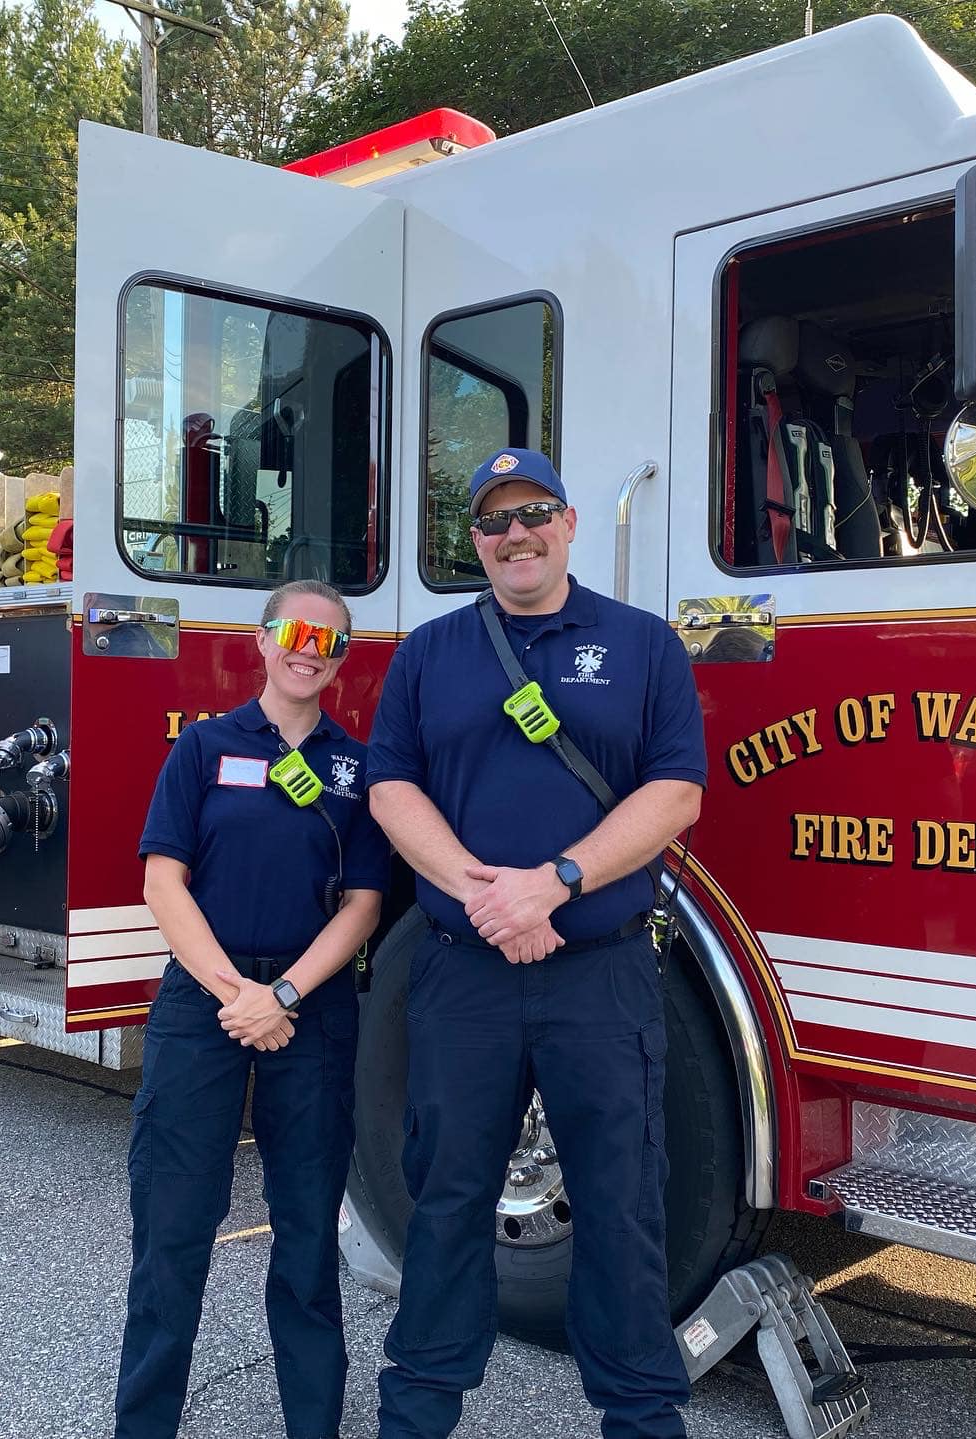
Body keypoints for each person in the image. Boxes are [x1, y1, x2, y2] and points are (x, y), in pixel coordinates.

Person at [366, 448, 705, 1439]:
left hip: (599, 977)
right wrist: (482, 891)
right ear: (475, 540)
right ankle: (416, 1415)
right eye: (494, 521)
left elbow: (676, 789)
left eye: (534, 513)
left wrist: (554, 883)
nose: (515, 534)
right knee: (447, 1200)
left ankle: (643, 1418)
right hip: (462, 970)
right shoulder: (430, 652)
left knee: (623, 1207)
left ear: (568, 523)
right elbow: (392, 784)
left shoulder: (644, 645)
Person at [114, 579, 388, 1439]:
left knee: (308, 1232)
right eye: (296, 631)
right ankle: (144, 1424)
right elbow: (164, 880)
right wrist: (238, 994)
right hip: (206, 1005)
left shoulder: (357, 767)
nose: (311, 648)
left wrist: (285, 994)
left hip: (309, 1009)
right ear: (262, 640)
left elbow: (364, 903)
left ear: (343, 658)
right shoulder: (202, 751)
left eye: (330, 639)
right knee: (173, 1225)